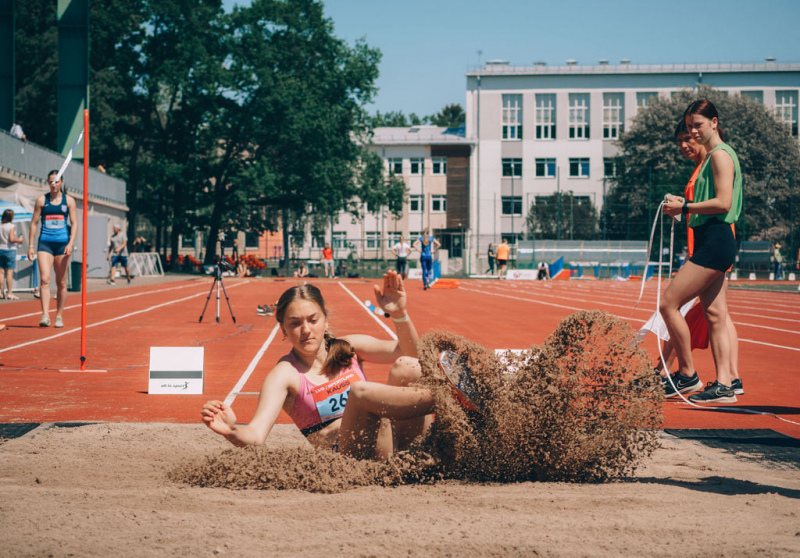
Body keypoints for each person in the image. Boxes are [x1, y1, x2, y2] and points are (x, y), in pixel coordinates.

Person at [201, 272, 434, 460]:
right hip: (350, 457)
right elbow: (256, 435)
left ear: (325, 320)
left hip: (391, 440)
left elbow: (412, 355)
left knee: (406, 366)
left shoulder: (348, 347)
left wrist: (400, 314)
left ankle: (432, 443)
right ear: (283, 329)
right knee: (360, 393)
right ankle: (445, 398)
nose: (306, 330)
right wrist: (232, 430)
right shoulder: (284, 375)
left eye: (313, 320)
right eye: (295, 323)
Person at [661, 100, 742, 404]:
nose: (693, 132)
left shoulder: (721, 156)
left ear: (714, 122)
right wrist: (681, 209)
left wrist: (685, 207)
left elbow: (723, 203)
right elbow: (707, 207)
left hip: (715, 240)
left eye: (697, 125)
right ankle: (725, 385)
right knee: (714, 314)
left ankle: (687, 375)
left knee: (668, 304)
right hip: (712, 237)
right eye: (689, 126)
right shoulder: (709, 160)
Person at [28, 170, 78, 327]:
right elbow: (34, 223)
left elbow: (75, 223)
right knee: (44, 279)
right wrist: (30, 245)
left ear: (61, 182)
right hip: (45, 244)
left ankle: (59, 316)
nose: (54, 184)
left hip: (62, 244)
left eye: (56, 181)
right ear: (48, 183)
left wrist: (70, 243)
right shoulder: (42, 200)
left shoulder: (69, 201)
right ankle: (44, 315)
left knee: (61, 282)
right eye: (51, 181)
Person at [0, 209, 25, 300]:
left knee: (1, 272)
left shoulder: (0, 225)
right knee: (9, 273)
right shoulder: (11, 226)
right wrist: (20, 240)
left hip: (1, 248)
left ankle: (1, 291)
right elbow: (11, 239)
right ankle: (9, 292)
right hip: (10, 250)